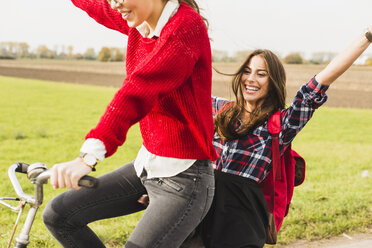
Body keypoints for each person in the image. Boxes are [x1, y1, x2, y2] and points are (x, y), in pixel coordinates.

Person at [42, 0, 217, 247]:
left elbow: (138, 90)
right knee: (59, 216)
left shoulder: (185, 27)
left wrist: (87, 158)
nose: (115, 5)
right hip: (147, 166)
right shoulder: (141, 20)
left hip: (184, 179)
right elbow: (97, 6)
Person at [194, 27, 372, 248]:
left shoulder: (280, 125)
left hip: (241, 225)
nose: (251, 79)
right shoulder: (220, 110)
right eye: (247, 71)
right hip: (200, 215)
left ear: (273, 81)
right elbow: (184, 88)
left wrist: (367, 37)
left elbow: (319, 83)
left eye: (261, 74)